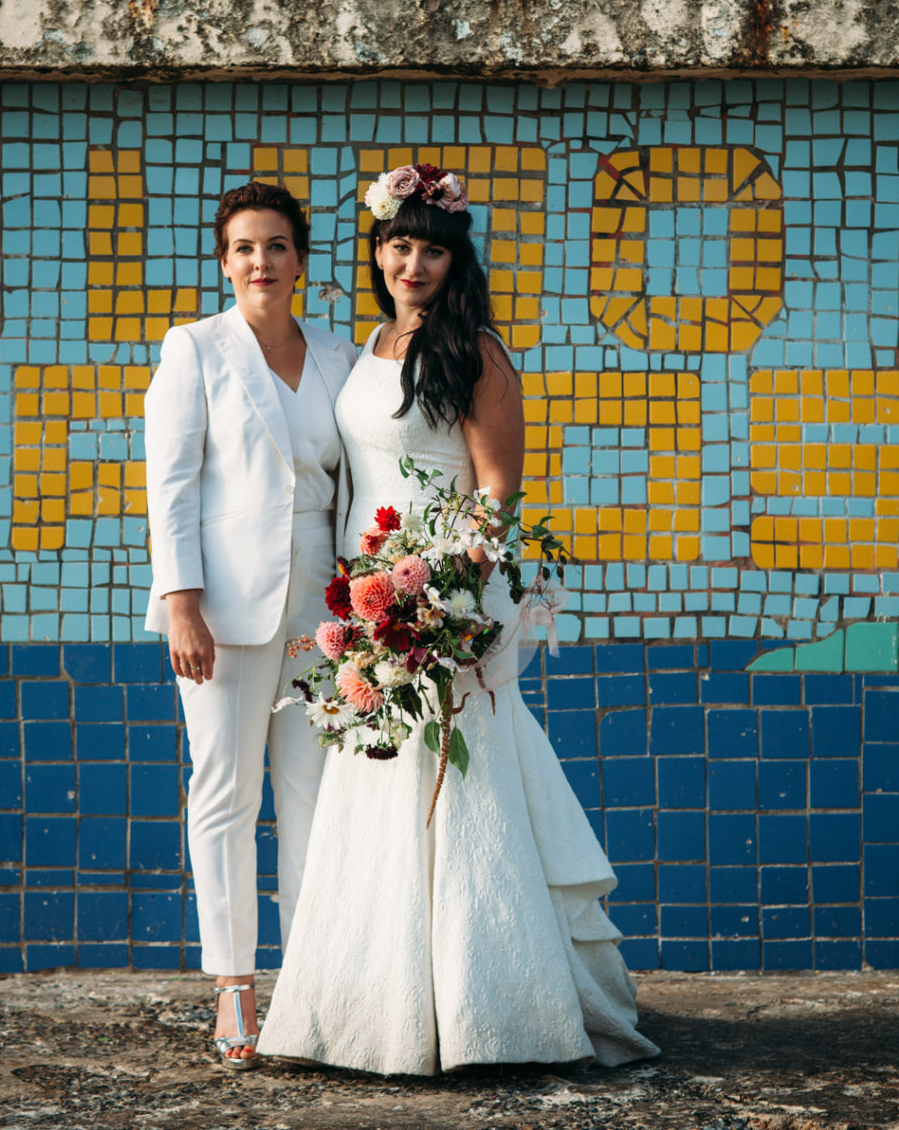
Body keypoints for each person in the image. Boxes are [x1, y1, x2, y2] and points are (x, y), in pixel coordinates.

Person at [257, 164, 659, 1074]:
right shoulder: (368, 345)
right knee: (374, 789)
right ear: (377, 251)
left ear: (454, 258)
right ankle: (374, 1010)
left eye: (431, 248)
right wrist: (367, 592)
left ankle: (488, 1010)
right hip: (368, 598)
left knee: (454, 788)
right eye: (399, 244)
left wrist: (438, 594)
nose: (413, 262)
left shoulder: (474, 352)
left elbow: (497, 494)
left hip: (447, 602)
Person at [143, 181, 355, 1069]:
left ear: (301, 261)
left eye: (275, 245)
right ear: (224, 262)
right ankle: (234, 988)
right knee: (226, 795)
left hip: (325, 607)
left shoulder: (343, 356)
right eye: (242, 248)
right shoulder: (194, 349)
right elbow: (173, 483)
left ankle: (307, 989)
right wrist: (181, 602)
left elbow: (355, 483)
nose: (259, 261)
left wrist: (364, 600)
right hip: (221, 608)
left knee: (313, 797)